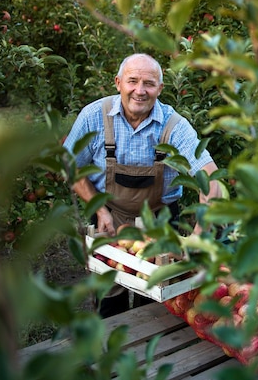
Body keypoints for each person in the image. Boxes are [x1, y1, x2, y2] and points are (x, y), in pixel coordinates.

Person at [63, 53, 221, 317]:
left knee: (160, 303)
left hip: (161, 221)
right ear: (118, 83)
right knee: (110, 299)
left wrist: (199, 237)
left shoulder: (174, 126)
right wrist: (98, 208)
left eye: (148, 83)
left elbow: (210, 179)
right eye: (132, 81)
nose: (140, 90)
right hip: (110, 218)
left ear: (160, 88)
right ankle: (112, 353)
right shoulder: (95, 116)